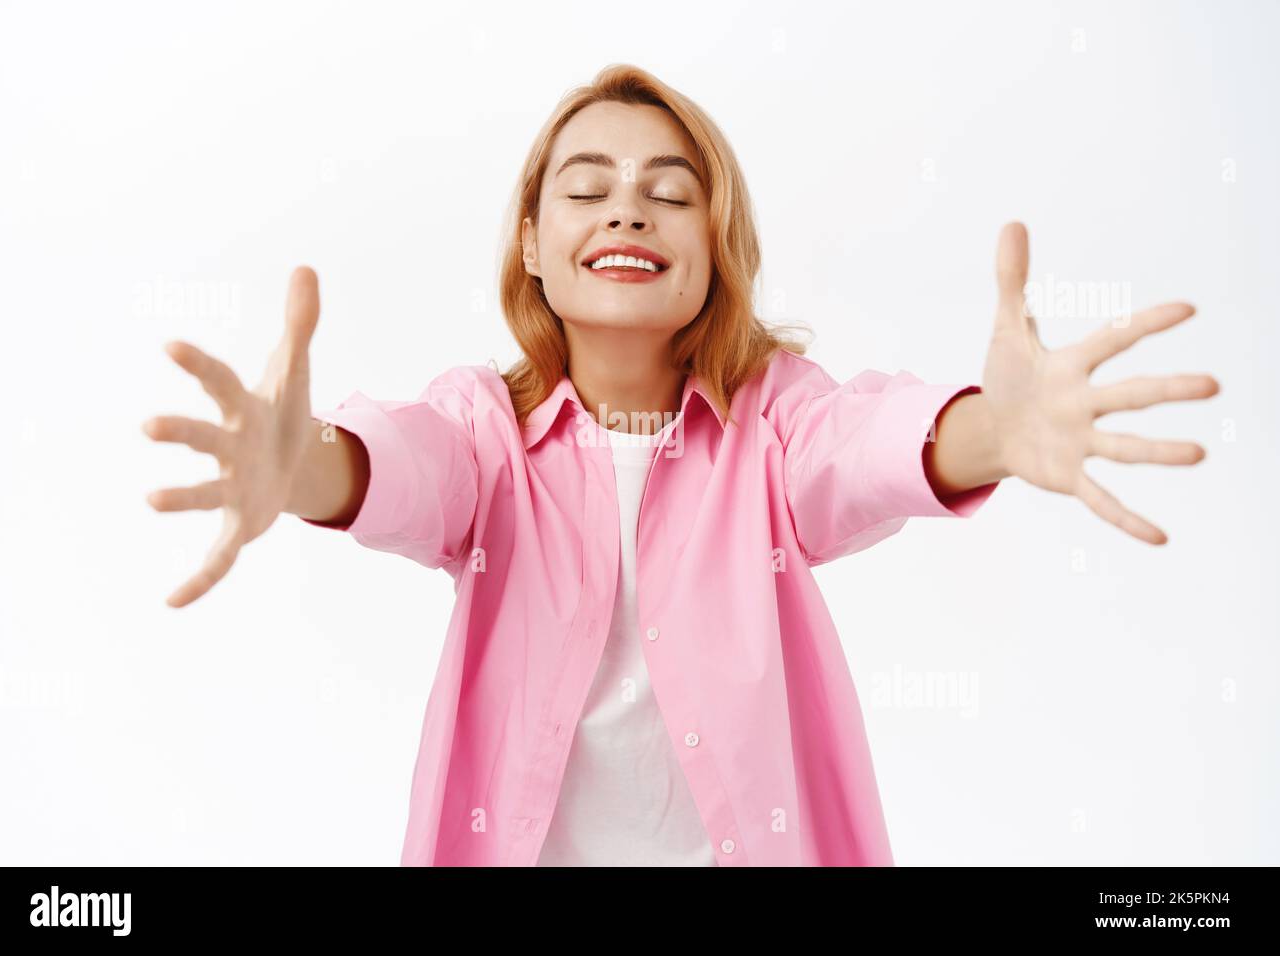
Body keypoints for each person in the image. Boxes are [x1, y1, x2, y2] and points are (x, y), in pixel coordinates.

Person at [142, 64, 1220, 866]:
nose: (626, 208)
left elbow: (869, 445)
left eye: (669, 188)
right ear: (530, 243)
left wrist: (992, 432)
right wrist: (305, 468)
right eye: (587, 186)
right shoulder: (484, 431)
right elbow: (401, 466)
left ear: (715, 247)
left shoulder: (774, 424)